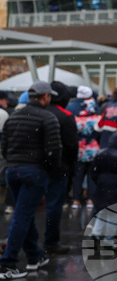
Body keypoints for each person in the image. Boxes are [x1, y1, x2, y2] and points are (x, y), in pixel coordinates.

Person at [0, 82, 62, 277]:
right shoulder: (48, 118)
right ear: (45, 97)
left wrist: (12, 162)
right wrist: (49, 170)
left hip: (13, 170)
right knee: (22, 215)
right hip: (34, 171)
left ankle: (34, 255)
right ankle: (7, 263)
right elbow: (54, 150)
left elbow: (4, 146)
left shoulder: (13, 116)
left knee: (24, 213)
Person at [42, 81, 77, 256]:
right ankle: (51, 242)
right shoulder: (65, 115)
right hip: (59, 167)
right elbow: (71, 145)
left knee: (26, 207)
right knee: (54, 205)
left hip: (35, 165)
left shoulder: (35, 112)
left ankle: (18, 240)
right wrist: (70, 166)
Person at [71, 91, 101, 217]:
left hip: (80, 150)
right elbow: (99, 134)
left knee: (78, 176)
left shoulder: (76, 120)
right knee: (91, 176)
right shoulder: (98, 119)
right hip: (94, 151)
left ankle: (76, 200)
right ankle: (90, 199)